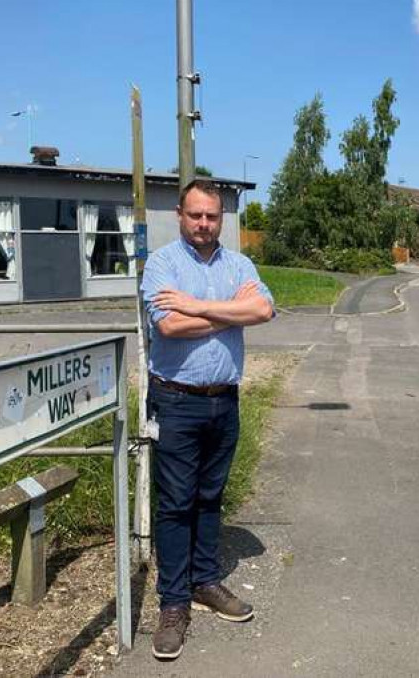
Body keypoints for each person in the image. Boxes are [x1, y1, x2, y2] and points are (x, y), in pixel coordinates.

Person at [140, 179, 274, 660]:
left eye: (211, 216)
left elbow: (264, 307)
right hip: (175, 401)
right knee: (176, 503)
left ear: (222, 218)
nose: (203, 224)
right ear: (181, 214)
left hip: (225, 401)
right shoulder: (162, 264)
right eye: (195, 215)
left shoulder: (240, 264)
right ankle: (173, 604)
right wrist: (230, 314)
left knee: (210, 497)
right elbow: (168, 325)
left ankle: (205, 582)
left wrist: (196, 304)